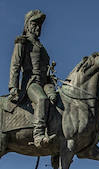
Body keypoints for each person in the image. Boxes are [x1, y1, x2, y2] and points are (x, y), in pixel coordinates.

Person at [8, 9, 60, 147]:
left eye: (40, 25)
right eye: (34, 24)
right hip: (31, 83)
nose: (38, 27)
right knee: (42, 99)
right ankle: (38, 136)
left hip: (45, 83)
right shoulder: (22, 42)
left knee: (58, 100)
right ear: (27, 25)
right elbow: (15, 65)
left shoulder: (41, 47)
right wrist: (13, 87)